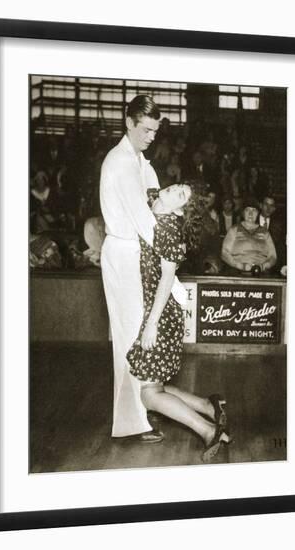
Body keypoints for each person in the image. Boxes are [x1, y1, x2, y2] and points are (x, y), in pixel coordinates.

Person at [100, 95, 186, 442]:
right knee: (129, 338)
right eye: (146, 129)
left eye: (156, 130)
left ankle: (141, 413)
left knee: (138, 338)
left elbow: (158, 206)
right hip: (123, 254)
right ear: (128, 122)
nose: (152, 136)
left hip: (139, 253)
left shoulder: (140, 160)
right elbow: (146, 223)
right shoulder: (120, 162)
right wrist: (174, 280)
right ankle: (132, 423)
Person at [127, 183, 232, 462]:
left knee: (150, 395)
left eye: (181, 195)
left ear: (181, 209)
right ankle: (209, 407)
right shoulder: (156, 212)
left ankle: (208, 430)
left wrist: (151, 324)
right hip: (157, 312)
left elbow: (165, 280)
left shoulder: (168, 227)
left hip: (160, 316)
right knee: (155, 385)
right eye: (176, 186)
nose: (173, 189)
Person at [221, 196, 277, 274]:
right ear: (243, 213)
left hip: (261, 273)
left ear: (258, 213)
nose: (250, 213)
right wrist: (240, 266)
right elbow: (224, 253)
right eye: (247, 210)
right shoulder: (234, 229)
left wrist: (263, 266)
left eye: (254, 210)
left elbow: (273, 256)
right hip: (237, 272)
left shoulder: (265, 232)